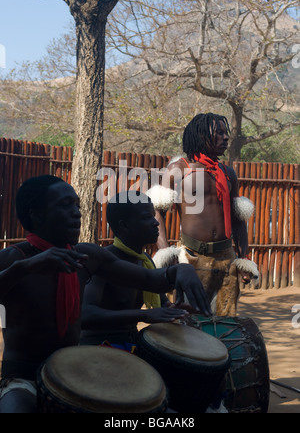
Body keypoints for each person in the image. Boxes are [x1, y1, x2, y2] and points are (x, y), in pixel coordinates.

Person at [0, 175, 211, 413]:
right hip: (23, 376)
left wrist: (180, 270)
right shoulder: (14, 258)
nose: (76, 213)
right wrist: (24, 269)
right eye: (65, 205)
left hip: (75, 368)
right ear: (36, 214)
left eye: (77, 205)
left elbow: (151, 280)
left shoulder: (87, 256)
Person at [147, 113, 259, 317]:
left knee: (225, 322)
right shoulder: (179, 169)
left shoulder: (227, 173)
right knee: (189, 324)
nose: (225, 138)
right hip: (191, 260)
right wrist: (166, 253)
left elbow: (238, 220)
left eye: (226, 133)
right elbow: (156, 211)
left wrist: (244, 259)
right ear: (201, 135)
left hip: (226, 260)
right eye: (219, 133)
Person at [80, 191, 187, 351]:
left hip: (131, 343)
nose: (156, 223)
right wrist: (143, 315)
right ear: (124, 225)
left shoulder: (145, 260)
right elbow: (85, 314)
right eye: (146, 218)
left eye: (153, 216)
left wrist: (177, 309)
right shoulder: (104, 262)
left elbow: (162, 303)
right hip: (98, 348)